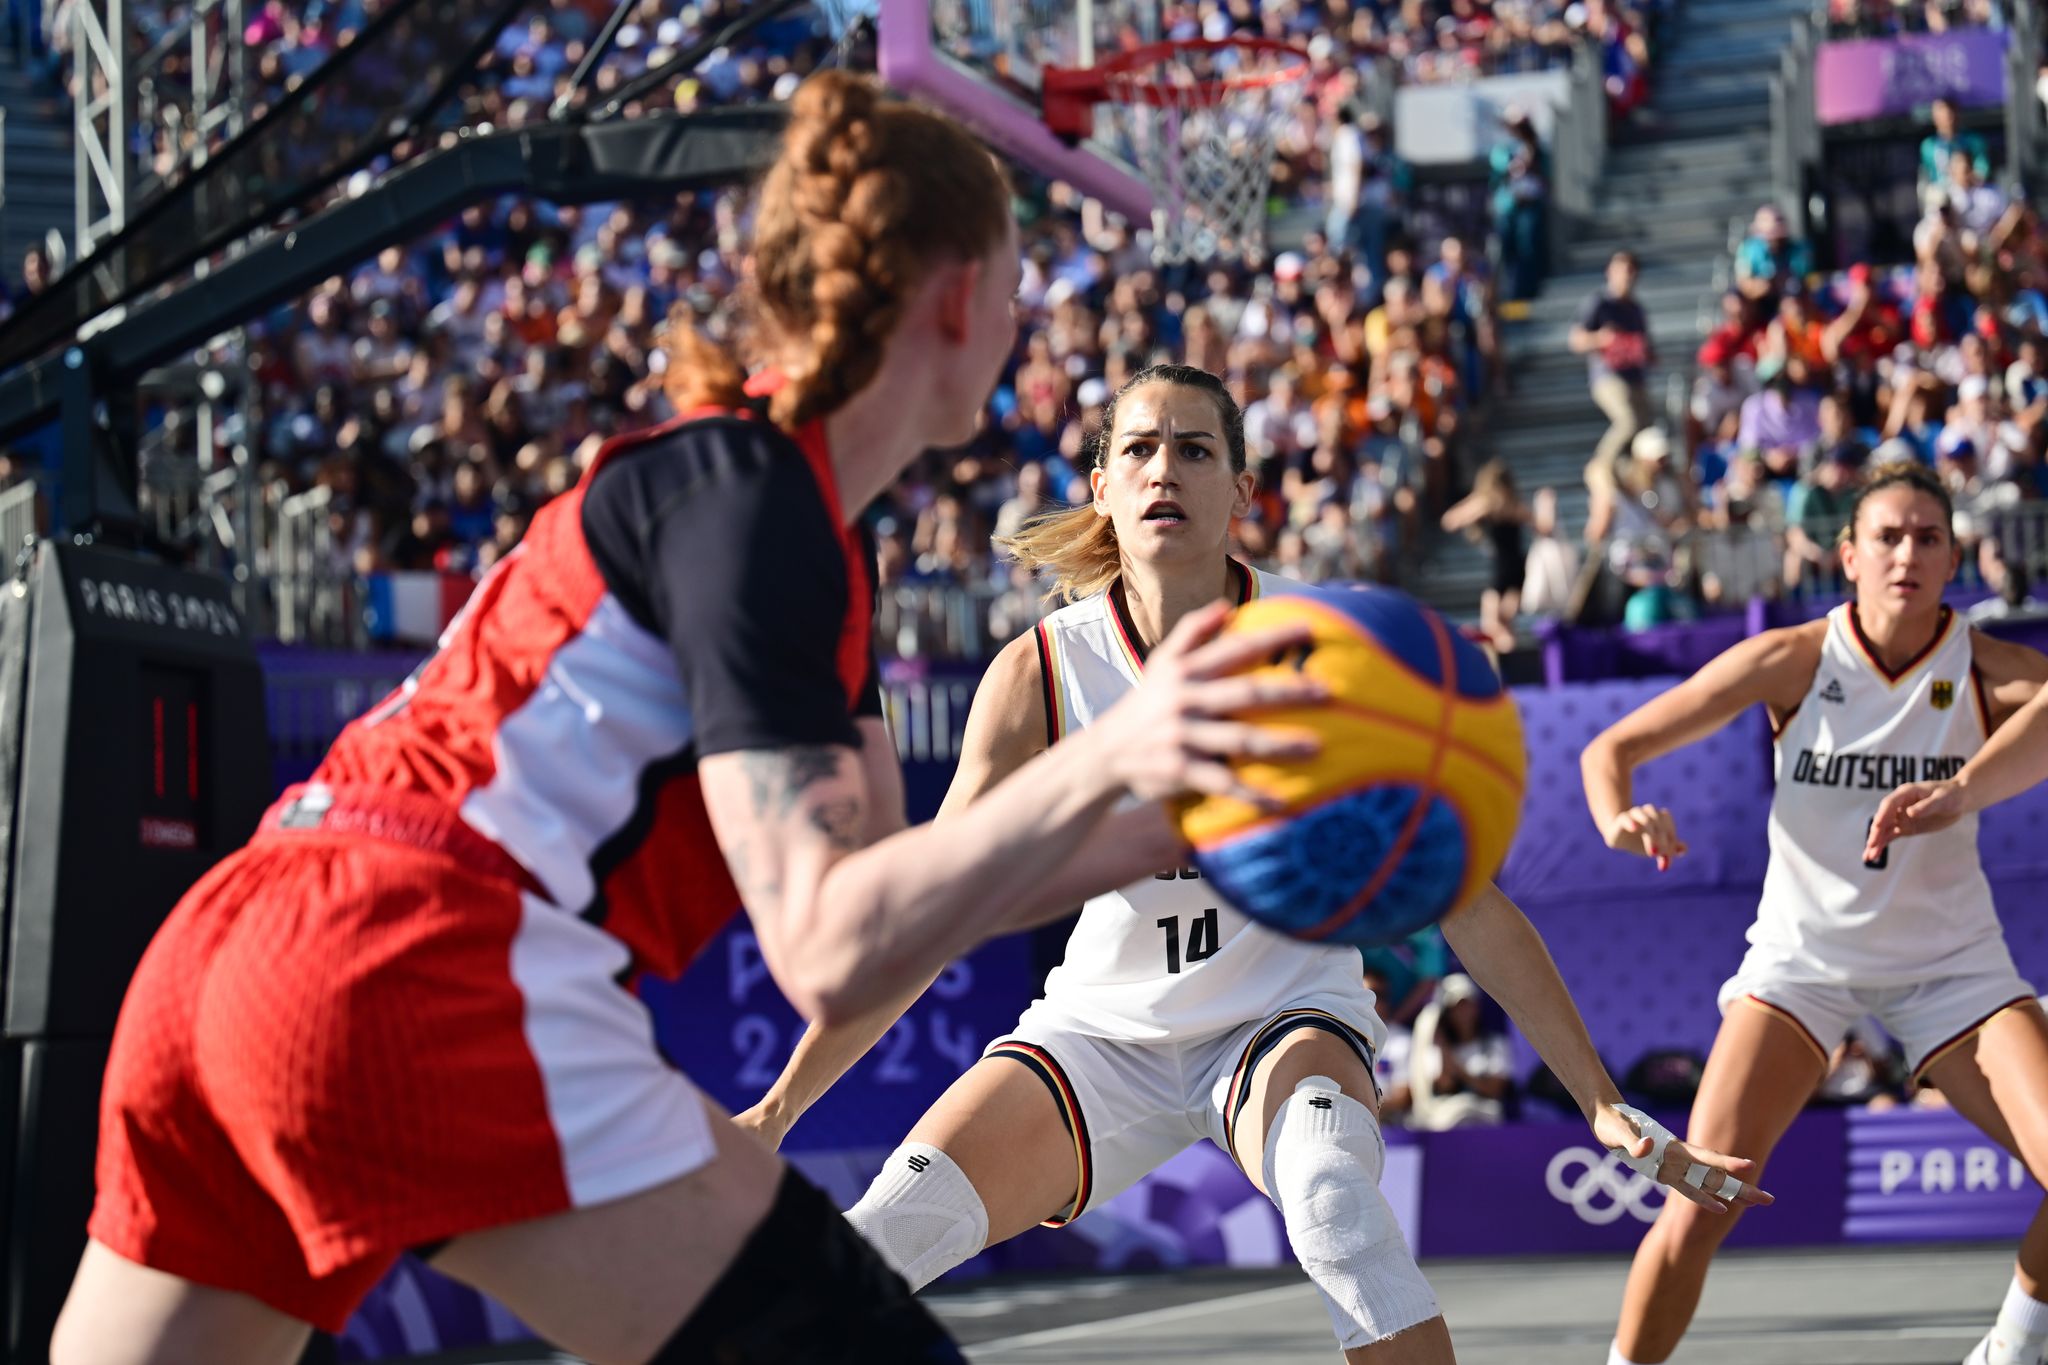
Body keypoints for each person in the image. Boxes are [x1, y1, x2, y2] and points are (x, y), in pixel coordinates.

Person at [50, 75, 1328, 1365]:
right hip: (412, 953)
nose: (1018, 323)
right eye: (1010, 287)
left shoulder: (780, 517)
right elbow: (832, 946)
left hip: (232, 949)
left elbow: (897, 910)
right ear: (956, 299)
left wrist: (1164, 830)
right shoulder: (761, 505)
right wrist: (1117, 753)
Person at [738, 363, 1770, 1365]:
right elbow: (930, 916)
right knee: (883, 1235)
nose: (1163, 469)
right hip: (1102, 1030)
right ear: (1100, 487)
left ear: (1240, 491)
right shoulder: (1039, 672)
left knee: (1335, 1208)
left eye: (1195, 450)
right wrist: (779, 1108)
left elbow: (1463, 899)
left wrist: (1598, 1098)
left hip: (1280, 1018)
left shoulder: (1331, 653)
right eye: (1139, 449)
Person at [1580, 461, 2048, 1365]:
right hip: (1803, 964)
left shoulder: (1988, 669)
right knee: (1699, 1204)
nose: (1907, 554)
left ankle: (2010, 1351)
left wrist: (1961, 790)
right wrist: (1616, 818)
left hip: (1954, 967)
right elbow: (1613, 748)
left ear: (1955, 560)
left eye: (1928, 538)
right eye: (1887, 536)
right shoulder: (1795, 657)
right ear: (1848, 554)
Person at [1571, 250, 1655, 491]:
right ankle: (1600, 467)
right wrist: (1601, 339)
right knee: (1627, 421)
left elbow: (1648, 348)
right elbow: (1576, 340)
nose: (1626, 276)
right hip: (1608, 376)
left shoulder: (1636, 309)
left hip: (1634, 377)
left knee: (1646, 428)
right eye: (1621, 270)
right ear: (1610, 271)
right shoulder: (1599, 303)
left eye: (1630, 271)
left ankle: (1634, 479)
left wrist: (1645, 352)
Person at [1440, 458, 1529, 654]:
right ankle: (1509, 661)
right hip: (1517, 569)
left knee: (1493, 626)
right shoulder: (1514, 504)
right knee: (1503, 626)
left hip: (1502, 571)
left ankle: (1505, 663)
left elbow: (1450, 521)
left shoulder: (1488, 503)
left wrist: (1476, 504)